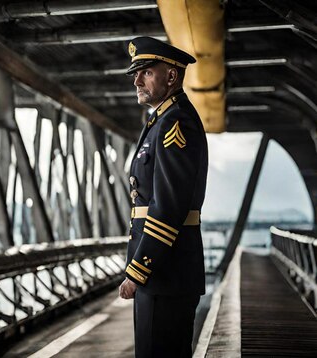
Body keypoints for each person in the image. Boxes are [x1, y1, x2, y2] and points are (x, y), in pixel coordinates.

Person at [118, 36, 208, 358]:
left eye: (145, 72)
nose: (136, 80)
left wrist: (138, 269)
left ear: (171, 76)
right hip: (164, 274)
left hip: (165, 273)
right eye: (135, 73)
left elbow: (167, 207)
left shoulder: (176, 122)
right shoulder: (160, 120)